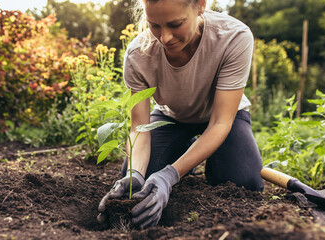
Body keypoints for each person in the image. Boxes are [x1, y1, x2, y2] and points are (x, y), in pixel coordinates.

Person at [97, 0, 264, 229]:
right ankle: (186, 151)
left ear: (200, 6)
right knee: (142, 184)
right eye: (154, 25)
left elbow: (220, 122)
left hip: (221, 118)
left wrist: (171, 174)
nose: (164, 38)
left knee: (245, 182)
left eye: (175, 24)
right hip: (171, 118)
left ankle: (195, 159)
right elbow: (139, 128)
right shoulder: (138, 53)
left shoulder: (233, 37)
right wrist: (135, 173)